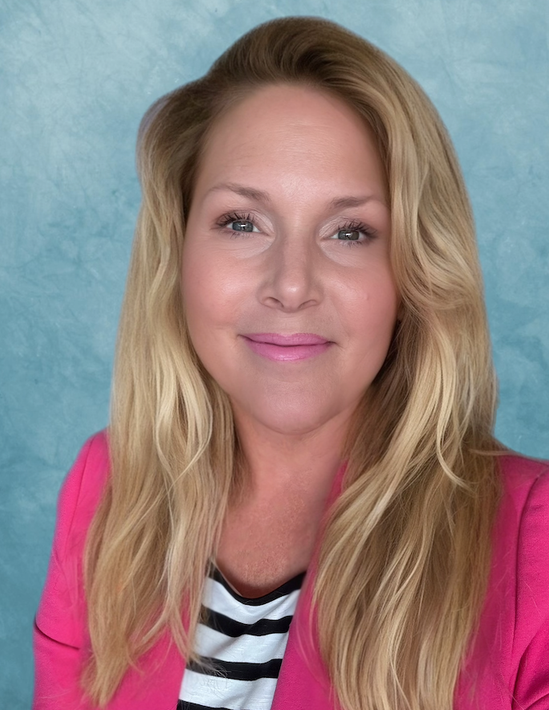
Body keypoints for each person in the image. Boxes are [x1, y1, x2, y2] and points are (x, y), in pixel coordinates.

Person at [33, 16, 549, 710]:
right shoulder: (107, 491)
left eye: (350, 231)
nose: (292, 284)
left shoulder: (532, 543)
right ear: (177, 253)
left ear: (414, 276)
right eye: (242, 222)